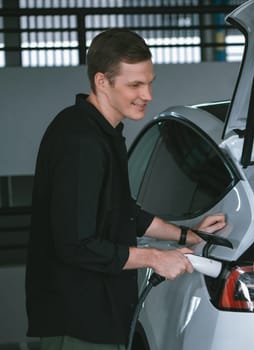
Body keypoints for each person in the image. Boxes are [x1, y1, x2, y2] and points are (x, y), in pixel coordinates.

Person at [25, 29, 226, 350]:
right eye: (135, 84)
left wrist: (189, 235)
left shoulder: (105, 132)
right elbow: (76, 244)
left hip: (102, 319)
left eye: (149, 82)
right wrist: (155, 259)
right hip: (77, 323)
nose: (147, 95)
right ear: (102, 81)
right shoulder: (80, 141)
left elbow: (122, 210)